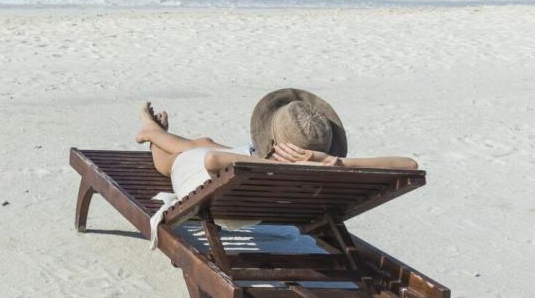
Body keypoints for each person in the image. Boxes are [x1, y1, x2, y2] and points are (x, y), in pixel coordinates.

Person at [136, 88, 418, 208]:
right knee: (205, 142)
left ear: (271, 140)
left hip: (220, 196)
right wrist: (331, 161)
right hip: (263, 178)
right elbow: (409, 165)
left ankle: (153, 135)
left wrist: (277, 164)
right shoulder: (322, 165)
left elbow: (212, 161)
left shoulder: (268, 166)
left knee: (183, 157)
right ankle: (156, 133)